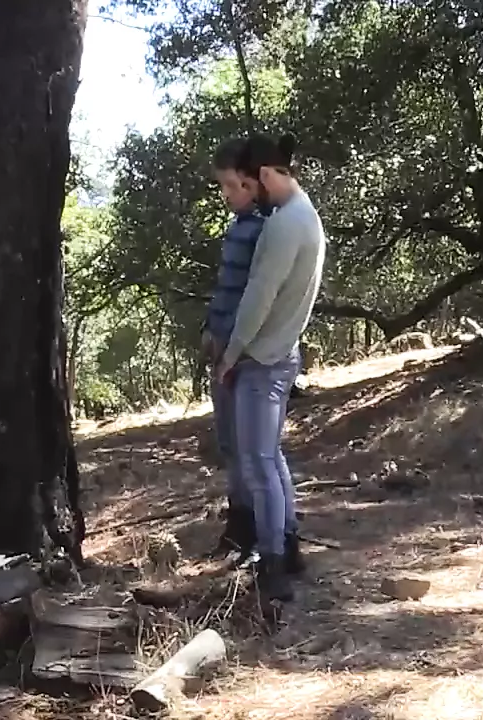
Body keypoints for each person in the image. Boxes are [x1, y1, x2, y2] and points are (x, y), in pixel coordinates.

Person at [214, 131, 327, 602]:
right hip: (280, 353)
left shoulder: (284, 225)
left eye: (248, 184)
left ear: (263, 175)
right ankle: (288, 543)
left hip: (263, 359)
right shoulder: (305, 216)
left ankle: (273, 565)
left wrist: (231, 354)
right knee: (271, 458)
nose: (248, 194)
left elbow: (258, 298)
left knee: (258, 466)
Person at [200, 137, 267, 566]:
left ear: (250, 182)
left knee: (247, 444)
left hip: (241, 351)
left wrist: (234, 346)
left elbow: (254, 295)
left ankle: (253, 529)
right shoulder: (238, 225)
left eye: (229, 185)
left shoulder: (263, 229)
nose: (225, 194)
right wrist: (210, 329)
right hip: (222, 344)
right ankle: (238, 521)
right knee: (228, 440)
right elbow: (226, 288)